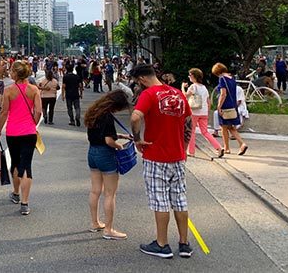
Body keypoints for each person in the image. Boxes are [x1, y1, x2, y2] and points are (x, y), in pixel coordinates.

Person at [129, 64, 193, 259]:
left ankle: (162, 244)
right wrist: (184, 146)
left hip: (156, 155)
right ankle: (184, 244)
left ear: (141, 79)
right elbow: (188, 121)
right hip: (177, 156)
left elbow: (135, 117)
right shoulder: (177, 93)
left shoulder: (148, 95)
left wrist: (137, 138)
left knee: (161, 201)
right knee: (180, 200)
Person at [0, 60, 42, 216]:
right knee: (26, 165)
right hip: (29, 132)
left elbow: (4, 112)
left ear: (15, 73)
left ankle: (15, 193)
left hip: (13, 132)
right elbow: (39, 112)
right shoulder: (34, 89)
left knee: (15, 163)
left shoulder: (8, 91)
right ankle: (25, 203)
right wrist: (32, 124)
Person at [84, 90, 133, 240]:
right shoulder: (107, 116)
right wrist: (120, 146)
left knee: (95, 191)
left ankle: (95, 223)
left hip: (92, 152)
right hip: (105, 154)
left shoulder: (94, 112)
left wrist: (121, 135)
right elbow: (108, 141)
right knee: (110, 194)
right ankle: (109, 229)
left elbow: (101, 133)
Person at [183, 68, 223, 158]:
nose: (189, 77)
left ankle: (191, 151)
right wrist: (207, 112)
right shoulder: (204, 87)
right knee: (205, 132)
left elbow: (185, 96)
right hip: (204, 112)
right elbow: (208, 101)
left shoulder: (193, 86)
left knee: (192, 131)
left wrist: (182, 87)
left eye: (190, 75)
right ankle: (218, 147)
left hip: (194, 112)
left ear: (193, 76)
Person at [212, 63, 248, 155]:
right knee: (231, 127)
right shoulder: (232, 78)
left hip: (225, 106)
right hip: (233, 106)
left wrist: (219, 106)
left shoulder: (222, 79)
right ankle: (242, 144)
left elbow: (223, 94)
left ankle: (227, 148)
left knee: (223, 127)